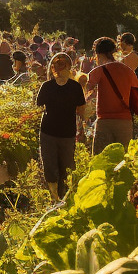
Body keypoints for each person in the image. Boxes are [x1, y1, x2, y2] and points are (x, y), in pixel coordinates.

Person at [35, 53, 87, 200]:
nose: (59, 66)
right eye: (56, 63)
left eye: (62, 63)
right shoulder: (47, 86)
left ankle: (64, 197)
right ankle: (54, 198)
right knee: (50, 167)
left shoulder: (75, 87)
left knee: (66, 168)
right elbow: (38, 107)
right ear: (52, 67)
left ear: (69, 66)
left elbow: (81, 110)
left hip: (67, 133)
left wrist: (82, 129)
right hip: (48, 132)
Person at [87, 35, 138, 155]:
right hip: (125, 122)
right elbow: (136, 92)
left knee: (100, 160)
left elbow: (85, 89)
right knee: (122, 161)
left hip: (105, 122)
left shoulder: (99, 71)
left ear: (98, 54)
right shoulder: (128, 71)